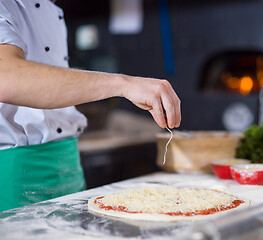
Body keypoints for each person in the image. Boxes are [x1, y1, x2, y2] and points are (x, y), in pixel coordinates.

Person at [0, 0, 181, 212]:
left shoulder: (51, 8)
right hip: (15, 177)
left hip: (68, 167)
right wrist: (124, 84)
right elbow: (7, 76)